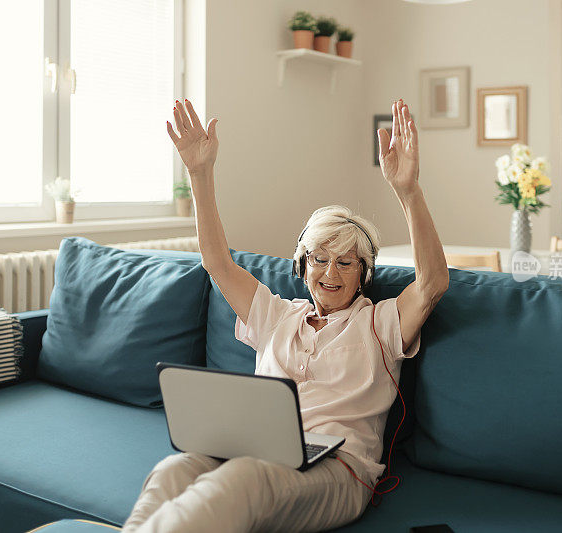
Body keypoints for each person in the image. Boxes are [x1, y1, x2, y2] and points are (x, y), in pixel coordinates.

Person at [121, 98, 449, 532]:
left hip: (340, 469)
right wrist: (200, 173)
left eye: (346, 263)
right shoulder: (277, 316)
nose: (330, 273)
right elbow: (218, 262)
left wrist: (408, 191)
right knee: (172, 470)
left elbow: (431, 284)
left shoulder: (379, 323)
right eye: (319, 259)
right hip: (255, 448)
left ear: (364, 274)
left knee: (243, 480)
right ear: (302, 265)